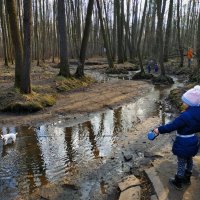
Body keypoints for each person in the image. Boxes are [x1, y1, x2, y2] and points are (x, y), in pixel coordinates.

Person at [153, 85, 200, 190]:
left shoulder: (185, 116)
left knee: (181, 162)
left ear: (191, 103)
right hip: (193, 140)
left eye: (184, 102)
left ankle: (178, 181)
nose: (182, 103)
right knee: (190, 159)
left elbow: (171, 126)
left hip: (183, 142)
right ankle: (187, 178)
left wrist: (159, 130)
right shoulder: (197, 113)